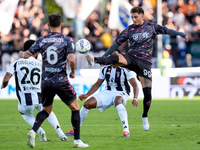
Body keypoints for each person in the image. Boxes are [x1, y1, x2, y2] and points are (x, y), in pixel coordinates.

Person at [85, 6, 189, 131]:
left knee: (148, 94)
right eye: (132, 17)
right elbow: (116, 44)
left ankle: (144, 116)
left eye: (135, 17)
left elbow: (166, 30)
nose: (133, 19)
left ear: (142, 16)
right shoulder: (129, 30)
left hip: (144, 63)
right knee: (116, 58)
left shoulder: (151, 27)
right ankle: (94, 60)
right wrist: (104, 56)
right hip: (131, 58)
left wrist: (180, 34)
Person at [19, 13, 89, 148]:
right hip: (61, 80)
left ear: (48, 25)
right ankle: (77, 141)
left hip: (45, 82)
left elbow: (27, 55)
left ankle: (33, 131)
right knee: (75, 108)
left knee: (46, 110)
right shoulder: (67, 39)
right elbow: (72, 59)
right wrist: (73, 72)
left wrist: (22, 55)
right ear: (61, 25)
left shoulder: (41, 40)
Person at [1, 40, 68, 142]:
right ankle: (60, 132)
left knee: (25, 114)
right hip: (40, 97)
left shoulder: (16, 63)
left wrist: (4, 85)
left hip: (25, 101)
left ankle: (40, 131)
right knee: (48, 112)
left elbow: (6, 79)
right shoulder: (41, 64)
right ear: (35, 52)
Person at [67, 50, 139, 137]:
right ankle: (75, 129)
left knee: (118, 101)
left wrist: (135, 98)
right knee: (87, 104)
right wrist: (87, 95)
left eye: (115, 55)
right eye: (111, 56)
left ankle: (126, 130)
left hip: (121, 92)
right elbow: (98, 83)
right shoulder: (105, 68)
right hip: (107, 92)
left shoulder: (126, 69)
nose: (113, 57)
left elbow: (135, 85)